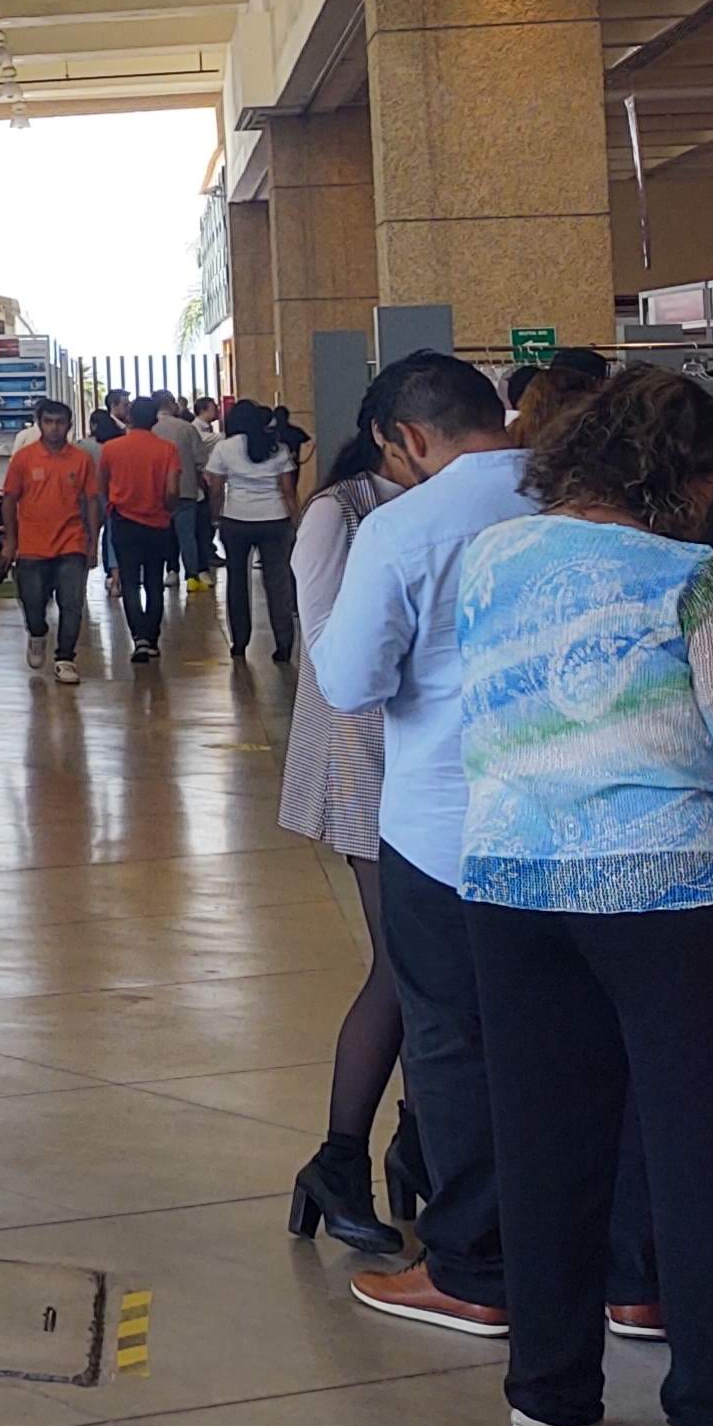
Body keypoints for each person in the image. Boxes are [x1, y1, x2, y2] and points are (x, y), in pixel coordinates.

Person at [451, 368, 713, 1426]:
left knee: (544, 1148)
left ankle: (549, 1400)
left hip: (510, 881)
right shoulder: (694, 579)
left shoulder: (490, 557)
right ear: (679, 474)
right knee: (704, 1155)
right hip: (679, 897)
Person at [310, 350, 544, 1336]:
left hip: (446, 828)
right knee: (580, 1041)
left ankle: (473, 1270)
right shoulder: (578, 496)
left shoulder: (405, 526)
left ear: (405, 437)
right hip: (576, 822)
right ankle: (628, 1274)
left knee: (453, 1043)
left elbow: (350, 681)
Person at [283, 377, 419, 1254]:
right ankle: (340, 1159)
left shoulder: (433, 505)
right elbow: (333, 653)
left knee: (433, 968)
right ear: (390, 435)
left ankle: (420, 1142)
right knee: (403, 964)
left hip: (425, 756)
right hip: (362, 752)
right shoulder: (339, 513)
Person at [0, 397, 102, 686]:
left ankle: (65, 658)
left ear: (69, 425)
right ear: (39, 424)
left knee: (72, 603)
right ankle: (37, 633)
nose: (54, 428)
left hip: (72, 543)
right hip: (32, 547)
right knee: (32, 603)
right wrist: (10, 542)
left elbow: (92, 501)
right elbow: (9, 499)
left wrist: (93, 543)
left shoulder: (81, 459)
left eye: (60, 422)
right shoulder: (24, 458)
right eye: (48, 422)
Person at [207, 399, 304, 662]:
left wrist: (215, 518)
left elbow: (215, 489)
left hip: (236, 520)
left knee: (237, 581)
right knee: (277, 582)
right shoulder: (278, 449)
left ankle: (240, 642)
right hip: (275, 521)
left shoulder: (224, 448)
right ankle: (284, 643)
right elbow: (288, 491)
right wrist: (295, 521)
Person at [96, 393, 184, 662]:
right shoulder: (167, 450)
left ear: (130, 418)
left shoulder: (111, 449)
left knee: (130, 581)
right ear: (155, 420)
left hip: (124, 521)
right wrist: (168, 509)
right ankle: (152, 636)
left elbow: (102, 485)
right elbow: (172, 490)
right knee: (154, 581)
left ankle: (139, 638)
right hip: (157, 522)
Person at [158, 391, 214, 597]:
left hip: (158, 491)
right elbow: (200, 460)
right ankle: (192, 575)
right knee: (187, 535)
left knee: (165, 534)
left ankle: (170, 570)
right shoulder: (186, 428)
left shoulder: (150, 429)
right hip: (186, 488)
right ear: (171, 404)